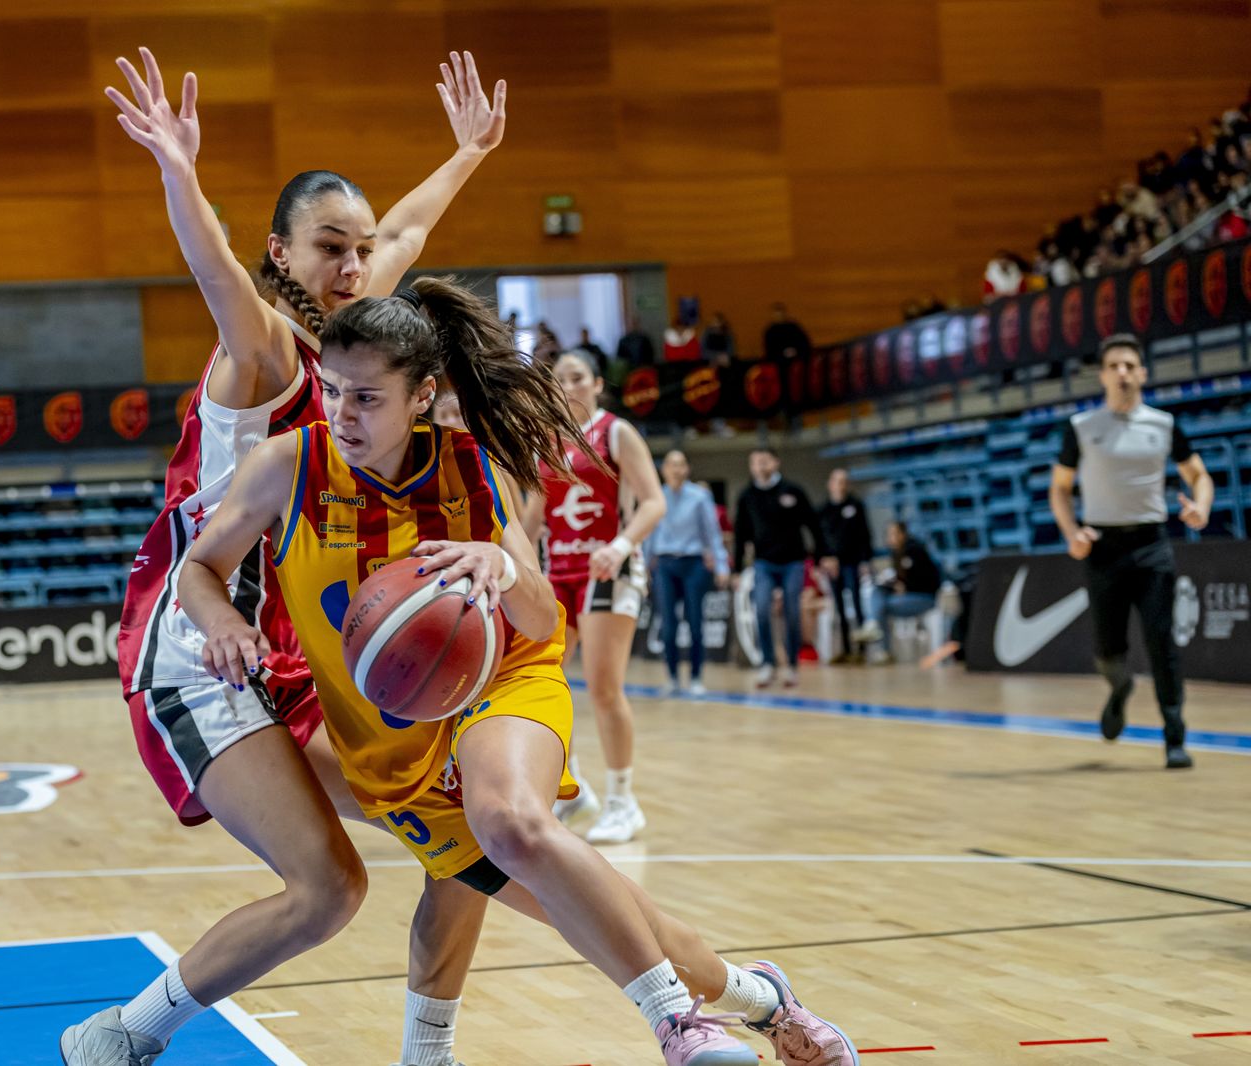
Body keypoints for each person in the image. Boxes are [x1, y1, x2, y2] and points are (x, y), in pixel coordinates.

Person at [181, 277, 858, 1066]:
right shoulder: (285, 465)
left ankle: (677, 1024)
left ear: (422, 394)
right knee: (601, 908)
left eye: (366, 397)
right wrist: (225, 621)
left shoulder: (475, 468)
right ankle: (760, 999)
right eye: (332, 391)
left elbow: (543, 620)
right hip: (394, 744)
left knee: (510, 820)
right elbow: (199, 569)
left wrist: (500, 561)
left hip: (504, 678)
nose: (341, 413)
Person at [63, 48, 509, 1066]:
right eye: (328, 249)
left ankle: (426, 1050)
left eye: (358, 252)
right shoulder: (261, 344)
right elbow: (211, 266)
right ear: (281, 251)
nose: (354, 267)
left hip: (283, 654)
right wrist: (179, 171)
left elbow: (405, 231)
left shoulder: (351, 346)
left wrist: (468, 151)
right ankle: (122, 1038)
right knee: (328, 888)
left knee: (466, 831)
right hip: (192, 637)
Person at [1050, 333, 1214, 770]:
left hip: (1151, 544)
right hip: (1104, 548)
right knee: (1108, 649)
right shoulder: (1082, 428)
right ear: (1102, 375)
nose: (1122, 373)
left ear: (1142, 373)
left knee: (1163, 644)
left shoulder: (1162, 425)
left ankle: (1174, 737)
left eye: (1129, 365)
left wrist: (1201, 505)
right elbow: (1060, 490)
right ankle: (1120, 689)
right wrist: (1072, 532)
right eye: (1114, 366)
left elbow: (1199, 475)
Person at [527, 349, 666, 845]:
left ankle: (623, 801)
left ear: (598, 384)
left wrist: (622, 544)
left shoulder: (616, 432)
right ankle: (575, 787)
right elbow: (532, 519)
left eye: (577, 378)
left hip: (609, 567)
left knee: (604, 688)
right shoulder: (545, 442)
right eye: (559, 379)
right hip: (558, 572)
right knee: (542, 683)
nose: (567, 386)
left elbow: (653, 501)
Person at [733, 448, 830, 688]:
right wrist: (736, 569)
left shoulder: (793, 491)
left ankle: (792, 666)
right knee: (762, 610)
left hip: (793, 562)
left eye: (765, 460)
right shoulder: (747, 496)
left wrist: (820, 558)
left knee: (792, 612)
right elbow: (740, 535)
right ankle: (767, 663)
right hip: (763, 563)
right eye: (755, 461)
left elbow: (813, 525)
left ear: (776, 462)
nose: (761, 465)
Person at [646, 450, 728, 695]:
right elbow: (649, 534)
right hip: (665, 565)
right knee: (668, 625)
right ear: (664, 470)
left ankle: (695, 678)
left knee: (695, 624)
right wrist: (643, 566)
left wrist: (722, 566)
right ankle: (671, 678)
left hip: (694, 565)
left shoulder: (700, 496)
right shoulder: (656, 496)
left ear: (687, 469)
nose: (676, 470)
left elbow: (712, 534)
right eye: (672, 465)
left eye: (681, 465)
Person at [855, 522, 942, 666]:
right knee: (877, 591)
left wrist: (905, 587)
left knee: (881, 607)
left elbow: (928, 582)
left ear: (903, 534)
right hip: (905, 597)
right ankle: (873, 626)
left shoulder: (915, 551)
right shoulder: (896, 554)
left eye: (894, 534)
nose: (890, 538)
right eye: (888, 534)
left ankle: (880, 642)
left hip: (924, 598)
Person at [817, 469, 872, 664]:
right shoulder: (823, 510)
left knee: (857, 605)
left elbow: (865, 535)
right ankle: (846, 649)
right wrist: (822, 560)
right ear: (830, 484)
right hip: (832, 566)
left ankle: (862, 649)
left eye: (844, 481)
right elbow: (819, 540)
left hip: (852, 562)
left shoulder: (856, 506)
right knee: (839, 608)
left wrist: (865, 561)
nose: (840, 485)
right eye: (836, 481)